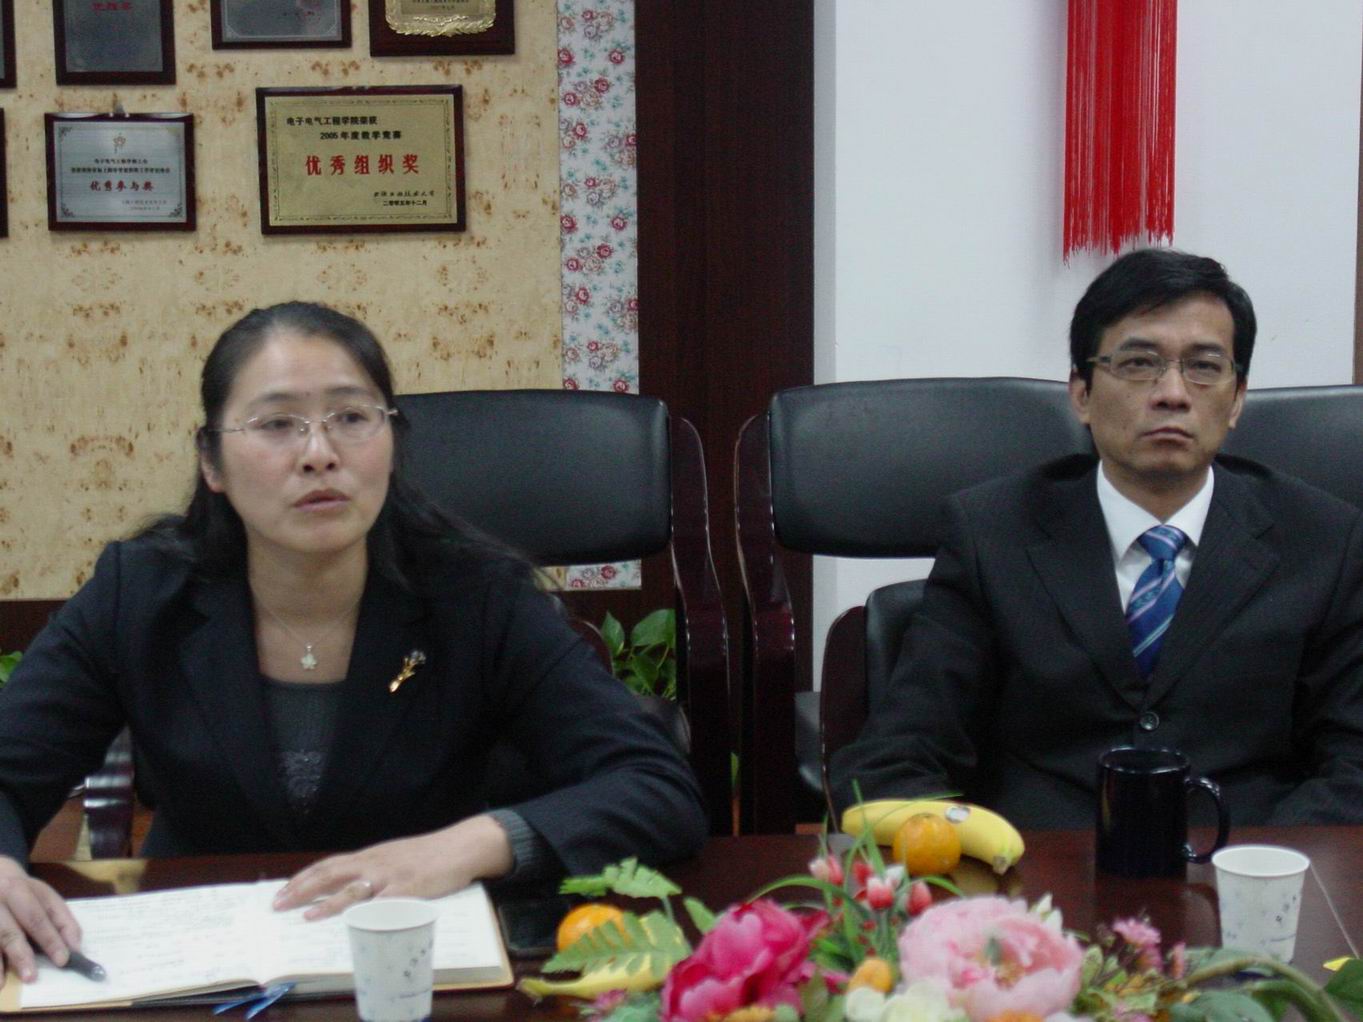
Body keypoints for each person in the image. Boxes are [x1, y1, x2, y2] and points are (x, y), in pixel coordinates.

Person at [0, 302, 707, 982]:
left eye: (350, 417)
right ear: (211, 461)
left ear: (391, 444)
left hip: (424, 961)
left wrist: (472, 845)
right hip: (202, 964)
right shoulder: (140, 593)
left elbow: (654, 785)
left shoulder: (476, 596)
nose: (319, 454)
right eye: (277, 424)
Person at [831, 248, 1363, 829]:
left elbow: (1354, 764)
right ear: (1081, 393)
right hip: (1037, 863)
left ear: (1236, 399)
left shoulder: (1324, 541)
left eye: (1204, 367)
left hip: (1244, 860)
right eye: (1138, 363)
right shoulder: (991, 533)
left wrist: (1258, 865)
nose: (1172, 393)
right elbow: (900, 755)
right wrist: (968, 858)